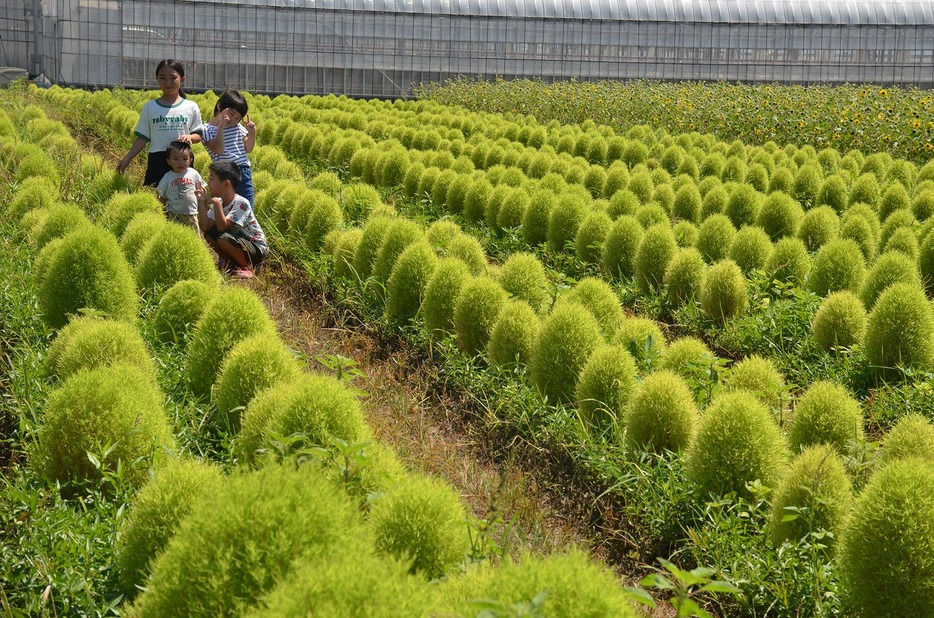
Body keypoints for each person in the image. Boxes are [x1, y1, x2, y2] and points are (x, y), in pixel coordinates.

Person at [116, 59, 202, 187]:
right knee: (155, 198)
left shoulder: (190, 107)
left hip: (181, 161)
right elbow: (142, 138)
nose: (168, 82)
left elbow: (198, 135)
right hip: (157, 160)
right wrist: (127, 158)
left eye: (173, 78)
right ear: (157, 79)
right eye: (163, 78)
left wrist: (190, 137)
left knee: (182, 198)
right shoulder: (150, 107)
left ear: (182, 80)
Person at [196, 161, 268, 279]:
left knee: (223, 237)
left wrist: (217, 204)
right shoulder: (219, 201)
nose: (208, 183)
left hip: (255, 248)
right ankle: (229, 261)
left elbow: (222, 227)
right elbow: (205, 227)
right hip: (237, 242)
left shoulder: (241, 203)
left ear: (226, 184)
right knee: (209, 234)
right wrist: (201, 203)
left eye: (212, 179)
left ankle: (246, 266)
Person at [188, 89, 256, 206]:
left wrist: (252, 133)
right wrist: (220, 128)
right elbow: (218, 150)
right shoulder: (205, 130)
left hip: (243, 172)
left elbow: (248, 149)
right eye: (231, 114)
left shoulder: (237, 127)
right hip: (223, 173)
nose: (233, 120)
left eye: (238, 118)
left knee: (246, 206)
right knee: (223, 207)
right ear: (219, 107)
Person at [155, 141, 204, 230]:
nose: (180, 162)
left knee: (193, 237)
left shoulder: (194, 173)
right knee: (174, 234)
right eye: (176, 159)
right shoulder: (167, 177)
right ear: (168, 161)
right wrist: (161, 212)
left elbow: (201, 189)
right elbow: (160, 196)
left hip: (191, 213)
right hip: (174, 213)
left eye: (185, 159)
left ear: (191, 160)